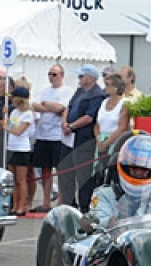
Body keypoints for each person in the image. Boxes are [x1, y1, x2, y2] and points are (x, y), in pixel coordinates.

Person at [88, 134, 151, 228]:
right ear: (125, 166)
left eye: (144, 169)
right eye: (134, 168)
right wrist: (121, 217)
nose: (138, 173)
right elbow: (98, 228)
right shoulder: (104, 195)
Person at [59, 64, 105, 212]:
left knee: (83, 175)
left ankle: (84, 206)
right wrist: (64, 123)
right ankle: (68, 203)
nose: (79, 79)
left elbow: (89, 117)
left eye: (81, 76)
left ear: (90, 78)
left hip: (83, 139)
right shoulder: (79, 91)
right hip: (69, 139)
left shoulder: (97, 95)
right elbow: (69, 107)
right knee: (65, 171)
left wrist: (72, 126)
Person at [31, 63, 72, 213]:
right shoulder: (43, 90)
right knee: (44, 169)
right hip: (42, 134)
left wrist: (47, 105)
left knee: (60, 169)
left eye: (54, 74)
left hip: (58, 136)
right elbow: (34, 105)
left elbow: (62, 108)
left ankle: (61, 200)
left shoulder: (67, 91)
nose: (51, 77)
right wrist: (51, 107)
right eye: (49, 74)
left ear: (62, 75)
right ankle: (46, 201)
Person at [5, 86, 35, 216]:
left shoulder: (28, 114)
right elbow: (10, 126)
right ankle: (15, 204)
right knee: (13, 179)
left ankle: (22, 205)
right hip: (11, 146)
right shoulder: (14, 112)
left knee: (21, 179)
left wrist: (7, 127)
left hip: (22, 148)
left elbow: (18, 131)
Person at [94, 74, 130, 162]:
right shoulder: (104, 102)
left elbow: (123, 127)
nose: (105, 87)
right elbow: (97, 125)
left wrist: (107, 143)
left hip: (116, 142)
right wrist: (99, 140)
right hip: (101, 141)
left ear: (116, 87)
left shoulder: (125, 103)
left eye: (107, 84)